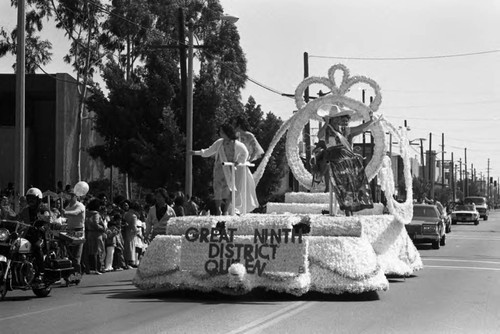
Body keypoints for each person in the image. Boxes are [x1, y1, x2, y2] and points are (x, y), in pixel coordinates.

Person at [314, 105, 376, 216]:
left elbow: (360, 128)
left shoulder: (345, 131)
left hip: (346, 161)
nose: (339, 121)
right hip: (334, 160)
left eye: (340, 118)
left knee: (350, 186)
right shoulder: (327, 131)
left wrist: (370, 121)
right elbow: (319, 136)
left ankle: (350, 211)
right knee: (342, 187)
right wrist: (326, 123)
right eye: (337, 119)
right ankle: (347, 210)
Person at [192, 123, 259, 215]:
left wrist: (238, 162)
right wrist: (195, 153)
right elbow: (209, 151)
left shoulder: (237, 144)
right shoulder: (219, 142)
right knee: (217, 188)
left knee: (231, 189)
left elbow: (245, 153)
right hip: (219, 169)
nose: (219, 133)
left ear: (226, 132)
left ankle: (226, 209)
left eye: (221, 131)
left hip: (230, 170)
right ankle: (218, 209)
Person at [60, 188, 86, 275]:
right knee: (69, 254)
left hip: (78, 233)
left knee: (76, 255)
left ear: (75, 196)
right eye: (67, 195)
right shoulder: (68, 206)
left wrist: (66, 212)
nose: (68, 197)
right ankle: (71, 273)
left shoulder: (80, 205)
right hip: (69, 232)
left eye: (70, 195)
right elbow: (66, 219)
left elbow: (75, 212)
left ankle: (77, 273)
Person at [83, 198, 105, 275]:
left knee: (90, 251)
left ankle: (88, 268)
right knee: (98, 251)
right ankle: (97, 268)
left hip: (89, 233)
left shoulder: (87, 213)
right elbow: (95, 223)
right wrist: (102, 228)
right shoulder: (96, 214)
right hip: (96, 234)